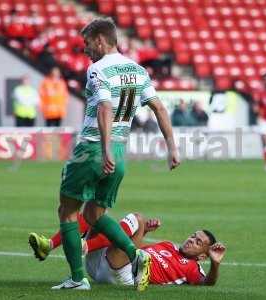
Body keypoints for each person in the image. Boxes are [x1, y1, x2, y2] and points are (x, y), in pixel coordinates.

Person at [51, 18, 180, 291]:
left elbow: (104, 108)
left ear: (100, 40)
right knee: (96, 214)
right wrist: (172, 147)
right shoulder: (138, 70)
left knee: (68, 212)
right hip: (120, 152)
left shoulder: (97, 69)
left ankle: (77, 279)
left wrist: (104, 147)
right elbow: (159, 108)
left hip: (93, 148)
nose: (85, 50)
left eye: (87, 44)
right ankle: (138, 256)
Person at [29, 212, 226, 287]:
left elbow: (206, 283)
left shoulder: (192, 268)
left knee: (137, 218)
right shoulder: (167, 245)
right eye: (193, 236)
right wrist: (144, 232)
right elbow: (135, 249)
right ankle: (48, 245)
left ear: (202, 255)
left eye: (198, 242)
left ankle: (86, 245)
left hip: (123, 276)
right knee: (92, 214)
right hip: (101, 264)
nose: (191, 240)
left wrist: (215, 265)